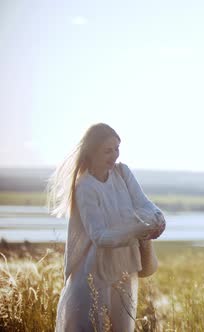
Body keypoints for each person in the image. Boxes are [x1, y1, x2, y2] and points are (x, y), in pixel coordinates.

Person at [47, 123, 166, 332]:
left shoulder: (122, 172)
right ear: (92, 152)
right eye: (108, 150)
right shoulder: (84, 187)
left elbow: (142, 203)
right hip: (94, 274)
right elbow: (99, 236)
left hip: (124, 268)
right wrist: (137, 230)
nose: (115, 155)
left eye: (117, 148)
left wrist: (158, 219)